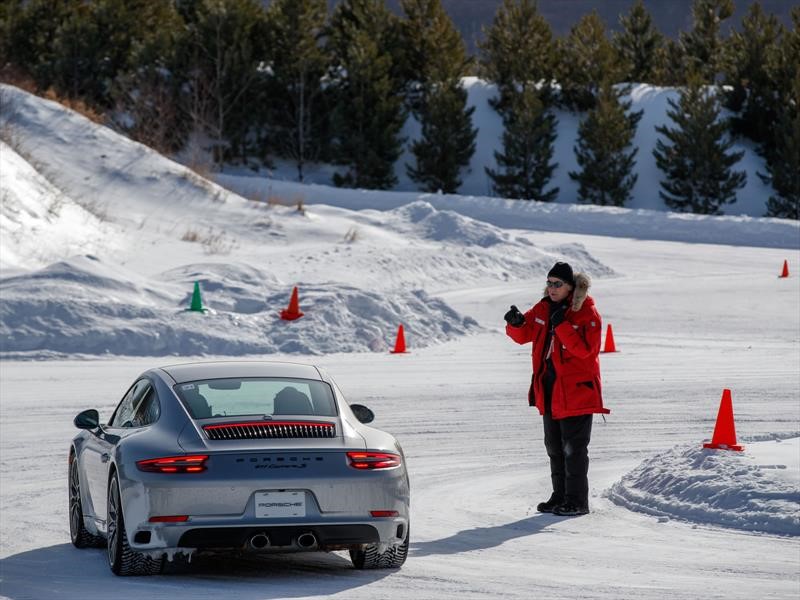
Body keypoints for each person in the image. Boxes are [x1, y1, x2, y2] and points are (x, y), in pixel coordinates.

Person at [504, 261, 609, 516]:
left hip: (576, 391)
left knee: (573, 449)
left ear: (571, 287)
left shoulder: (586, 312)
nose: (551, 288)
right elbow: (524, 334)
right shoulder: (543, 308)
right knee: (554, 447)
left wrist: (561, 325)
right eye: (549, 283)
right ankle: (559, 496)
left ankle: (577, 501)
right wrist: (516, 324)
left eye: (557, 284)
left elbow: (587, 352)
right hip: (549, 388)